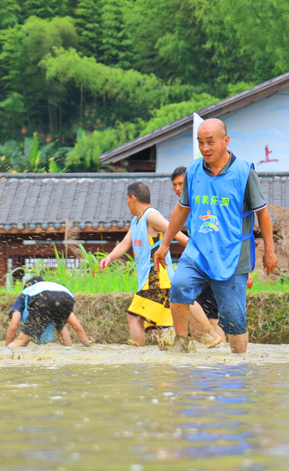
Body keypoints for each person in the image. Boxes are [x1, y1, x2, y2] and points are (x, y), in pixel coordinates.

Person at [155, 119, 277, 353]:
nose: (205, 148)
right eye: (200, 142)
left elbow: (263, 213)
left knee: (234, 321)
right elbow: (182, 209)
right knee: (179, 285)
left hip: (233, 253)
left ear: (225, 141)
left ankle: (239, 364)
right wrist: (164, 244)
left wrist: (269, 251)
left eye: (210, 142)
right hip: (198, 250)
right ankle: (180, 343)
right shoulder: (193, 170)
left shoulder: (244, 172)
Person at [99, 182, 221, 347]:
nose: (127, 203)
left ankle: (138, 354)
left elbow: (176, 233)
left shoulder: (151, 216)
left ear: (133, 198)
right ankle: (185, 346)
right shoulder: (136, 221)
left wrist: (200, 254)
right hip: (149, 278)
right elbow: (125, 243)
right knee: (157, 327)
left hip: (157, 275)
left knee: (134, 316)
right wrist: (109, 258)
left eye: (127, 199)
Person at [171, 166, 226, 343]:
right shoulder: (188, 206)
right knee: (208, 312)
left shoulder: (202, 204)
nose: (178, 188)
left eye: (181, 183)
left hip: (207, 261)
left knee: (188, 296)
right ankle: (219, 350)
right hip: (203, 262)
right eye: (175, 185)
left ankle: (214, 338)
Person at [6, 276, 89, 347]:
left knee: (21, 341)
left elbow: (13, 327)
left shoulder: (26, 292)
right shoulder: (54, 287)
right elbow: (77, 326)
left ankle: (9, 352)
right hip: (67, 297)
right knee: (61, 326)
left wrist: (6, 348)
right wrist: (86, 344)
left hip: (43, 300)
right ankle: (69, 349)